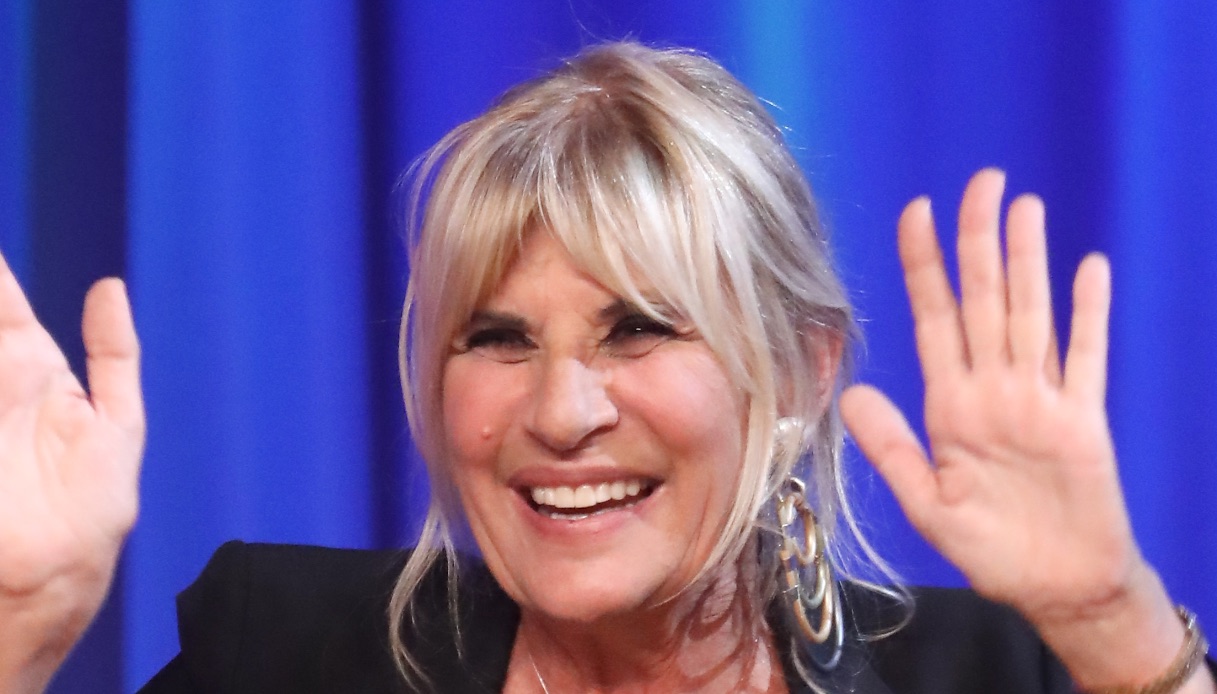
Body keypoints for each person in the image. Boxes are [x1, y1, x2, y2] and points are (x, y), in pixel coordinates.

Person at [0, 41, 1212, 694]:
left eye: (637, 329)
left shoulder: (999, 675)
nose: (561, 410)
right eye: (497, 337)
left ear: (798, 373)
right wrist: (18, 631)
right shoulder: (279, 653)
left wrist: (1113, 630)